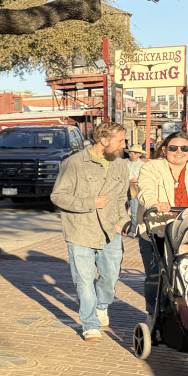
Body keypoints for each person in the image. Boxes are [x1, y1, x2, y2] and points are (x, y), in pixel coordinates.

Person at [49, 121, 129, 341]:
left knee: (110, 277)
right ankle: (90, 323)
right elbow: (58, 196)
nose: (124, 145)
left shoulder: (121, 165)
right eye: (120, 140)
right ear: (104, 141)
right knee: (84, 280)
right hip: (80, 230)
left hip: (111, 230)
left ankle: (101, 306)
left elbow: (122, 198)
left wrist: (124, 220)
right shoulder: (74, 163)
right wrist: (89, 202)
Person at [136, 130, 188, 317]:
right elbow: (146, 189)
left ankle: (184, 311)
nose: (179, 152)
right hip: (156, 228)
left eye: (184, 148)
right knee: (156, 275)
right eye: (174, 148)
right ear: (165, 149)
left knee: (186, 273)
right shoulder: (152, 167)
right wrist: (155, 204)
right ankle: (155, 314)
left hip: (186, 231)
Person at [126, 145, 147, 236]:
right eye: (131, 153)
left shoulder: (143, 165)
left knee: (134, 210)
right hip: (123, 187)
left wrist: (137, 179)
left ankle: (133, 230)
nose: (133, 155)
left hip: (134, 188)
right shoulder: (124, 162)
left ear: (139, 154)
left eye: (136, 153)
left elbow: (145, 177)